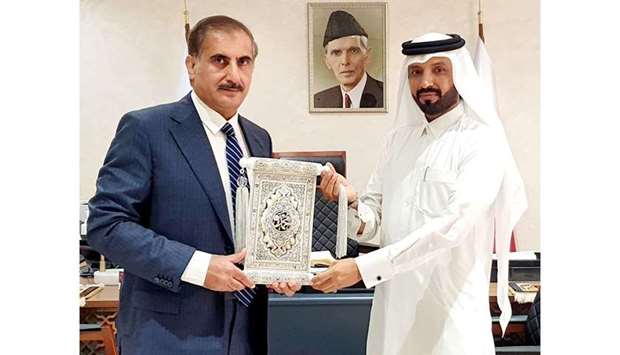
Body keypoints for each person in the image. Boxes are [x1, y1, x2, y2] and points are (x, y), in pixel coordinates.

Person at [87, 15, 299, 355]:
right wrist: (198, 267)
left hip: (246, 333)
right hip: (167, 336)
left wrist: (276, 268)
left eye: (243, 62)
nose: (234, 75)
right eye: (220, 61)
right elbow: (106, 225)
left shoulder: (258, 138)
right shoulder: (146, 128)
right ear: (191, 65)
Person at [312, 33, 527, 354]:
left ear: (460, 74)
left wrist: (362, 268)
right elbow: (374, 223)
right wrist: (352, 201)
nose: (426, 81)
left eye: (439, 69)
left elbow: (451, 227)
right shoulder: (397, 142)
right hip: (393, 319)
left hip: (450, 324)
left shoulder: (481, 142)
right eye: (416, 72)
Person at [313, 10, 384, 109]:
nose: (345, 61)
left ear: (367, 56)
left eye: (353, 51)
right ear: (327, 61)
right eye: (336, 53)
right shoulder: (318, 101)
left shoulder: (387, 96)